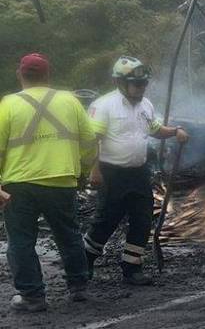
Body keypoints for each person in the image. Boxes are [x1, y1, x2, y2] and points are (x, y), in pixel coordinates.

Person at [0, 53, 97, 312]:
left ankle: (32, 296)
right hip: (61, 180)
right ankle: (78, 288)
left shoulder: (8, 104)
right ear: (48, 75)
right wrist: (84, 170)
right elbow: (89, 140)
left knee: (21, 241)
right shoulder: (70, 100)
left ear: (20, 74)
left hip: (19, 183)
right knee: (68, 235)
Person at [83, 56, 189, 285]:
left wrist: (175, 132)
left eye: (143, 84)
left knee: (142, 218)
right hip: (111, 173)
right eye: (136, 84)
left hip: (138, 173)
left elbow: (155, 129)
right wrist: (95, 170)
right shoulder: (104, 105)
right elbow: (93, 140)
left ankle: (131, 267)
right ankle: (85, 262)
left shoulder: (146, 105)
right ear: (120, 82)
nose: (140, 88)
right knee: (106, 220)